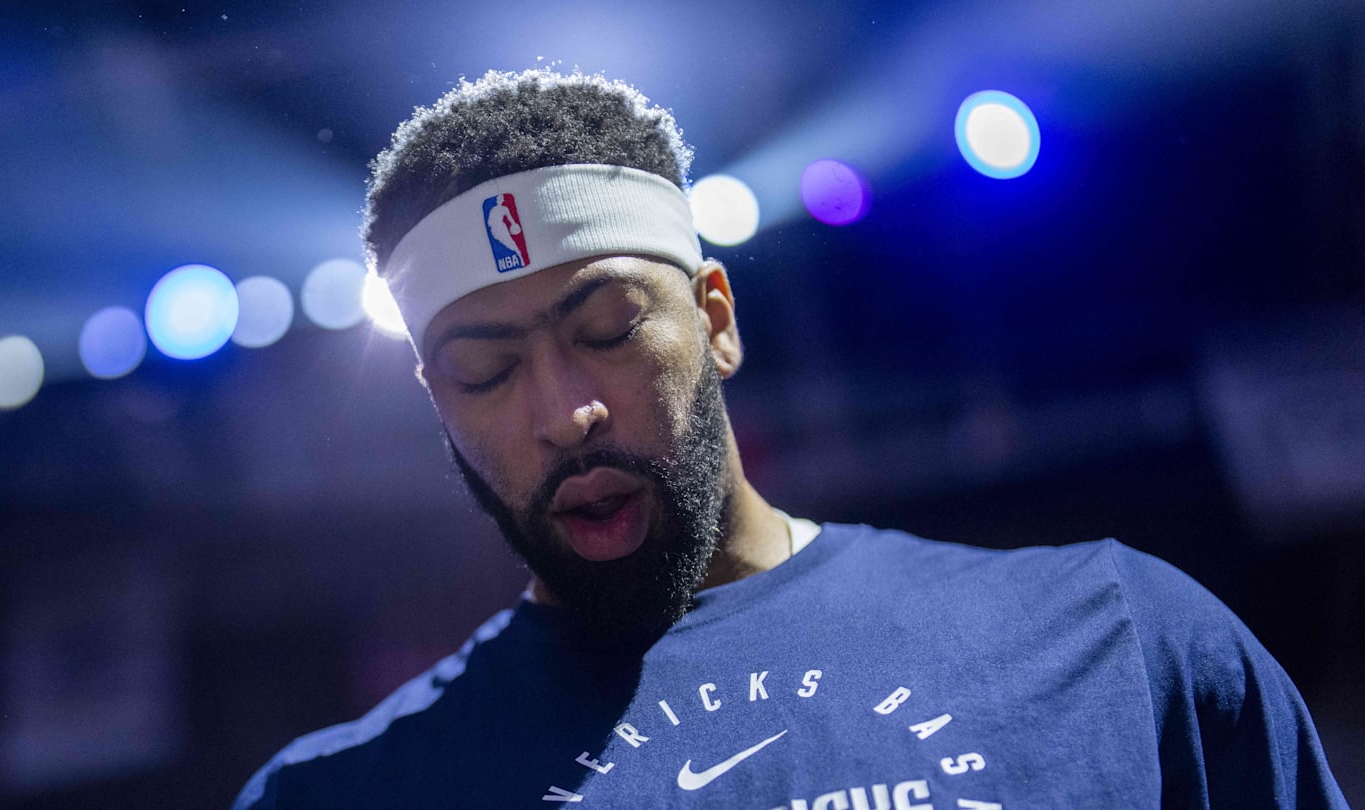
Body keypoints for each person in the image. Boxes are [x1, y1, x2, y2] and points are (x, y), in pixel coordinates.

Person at [234, 69, 1347, 809]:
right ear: (438, 403)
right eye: (486, 372)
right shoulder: (347, 794)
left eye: (611, 331)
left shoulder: (1117, 642)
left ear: (715, 319)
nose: (563, 411)